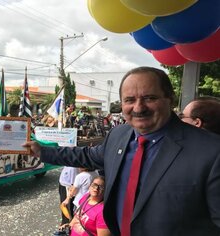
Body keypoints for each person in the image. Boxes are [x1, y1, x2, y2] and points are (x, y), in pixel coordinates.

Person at [24, 66, 220, 236]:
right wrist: (41, 151)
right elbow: (87, 156)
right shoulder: (119, 134)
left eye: (149, 98)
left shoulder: (212, 152)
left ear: (170, 99)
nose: (138, 107)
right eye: (129, 100)